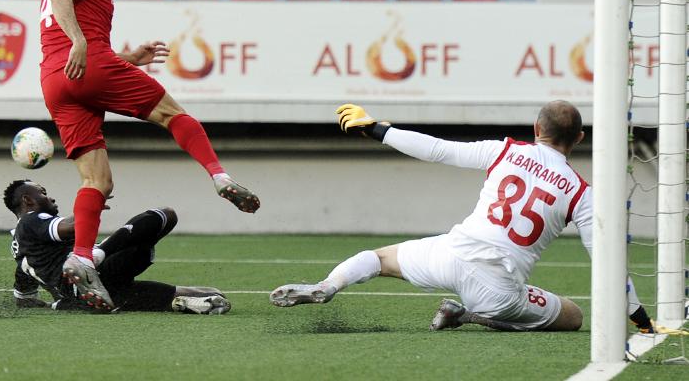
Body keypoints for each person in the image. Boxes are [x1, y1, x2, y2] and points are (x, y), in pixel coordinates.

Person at [270, 101, 654, 333]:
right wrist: (636, 314)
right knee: (573, 316)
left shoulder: (505, 151)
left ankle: (328, 285)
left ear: (536, 129)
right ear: (579, 139)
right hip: (498, 289)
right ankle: (469, 315)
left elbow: (437, 150)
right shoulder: (581, 193)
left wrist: (377, 129)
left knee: (379, 258)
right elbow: (605, 260)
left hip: (452, 254)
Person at [39, 0, 259, 311]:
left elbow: (63, 12)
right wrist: (80, 43)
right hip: (85, 65)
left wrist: (127, 58)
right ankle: (219, 176)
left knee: (98, 181)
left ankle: (82, 257)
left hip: (56, 81)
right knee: (173, 115)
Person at [3, 179, 231, 315]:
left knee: (212, 293)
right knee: (165, 215)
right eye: (42, 192)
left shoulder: (20, 246)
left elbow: (23, 297)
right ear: (27, 200)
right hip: (94, 278)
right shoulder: (32, 220)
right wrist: (91, 202)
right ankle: (96, 257)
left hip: (91, 298)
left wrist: (49, 304)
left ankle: (184, 302)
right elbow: (71, 226)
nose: (50, 197)